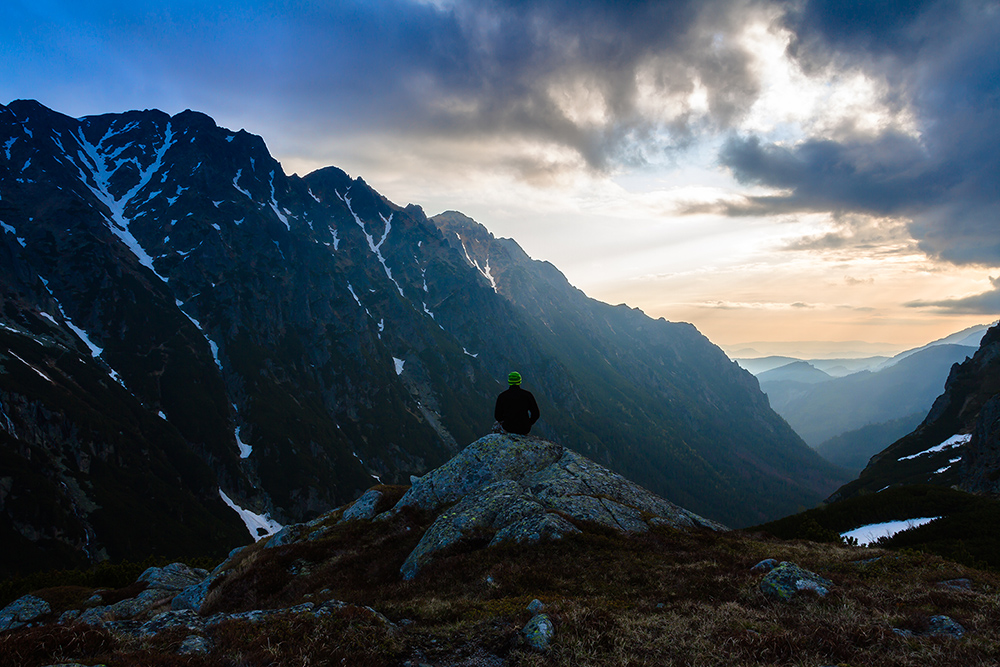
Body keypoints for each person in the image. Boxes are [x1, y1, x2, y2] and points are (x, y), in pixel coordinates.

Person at [494, 371, 540, 435]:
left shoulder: (502, 396)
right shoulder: (527, 395)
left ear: (509, 381)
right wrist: (528, 423)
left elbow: (497, 416)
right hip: (524, 428)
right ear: (520, 381)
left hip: (508, 427)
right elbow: (536, 413)